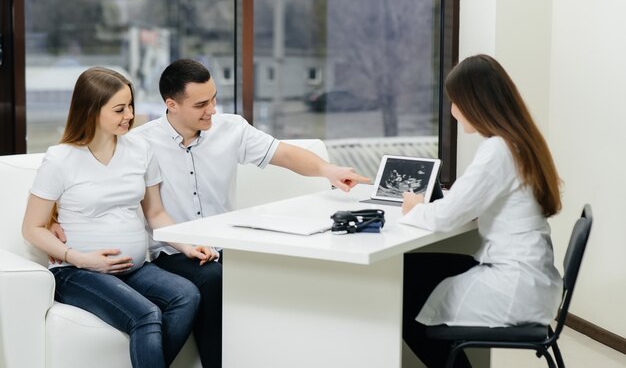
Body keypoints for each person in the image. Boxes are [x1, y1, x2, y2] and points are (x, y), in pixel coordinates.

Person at [130, 58, 371, 368]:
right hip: (174, 252)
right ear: (172, 104)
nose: (212, 109)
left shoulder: (231, 129)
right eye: (201, 104)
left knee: (287, 271)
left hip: (229, 245)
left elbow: (283, 154)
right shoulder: (141, 144)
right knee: (213, 279)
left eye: (214, 98)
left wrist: (328, 169)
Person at [22, 67, 214, 368]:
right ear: (92, 110)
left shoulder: (140, 150)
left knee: (187, 295)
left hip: (135, 267)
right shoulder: (60, 159)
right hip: (77, 271)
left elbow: (155, 213)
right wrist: (82, 259)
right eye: (120, 109)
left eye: (131, 106)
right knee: (147, 314)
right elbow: (32, 228)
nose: (130, 115)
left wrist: (187, 245)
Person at [400, 54, 563, 368]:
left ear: (475, 103)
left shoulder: (498, 150)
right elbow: (478, 200)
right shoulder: (519, 141)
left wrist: (414, 208)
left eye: (456, 102)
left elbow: (444, 218)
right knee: (416, 270)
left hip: (514, 287)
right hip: (530, 276)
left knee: (404, 296)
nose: (453, 111)